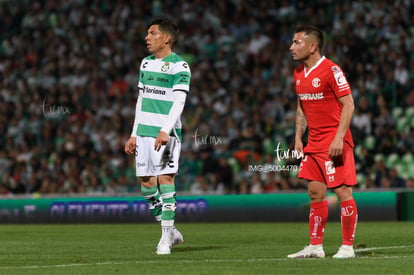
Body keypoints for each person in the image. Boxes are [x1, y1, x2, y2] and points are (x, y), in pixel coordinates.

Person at [287, 26, 358, 259]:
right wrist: (298, 137)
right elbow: (302, 106)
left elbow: (349, 104)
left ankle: (347, 247)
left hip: (334, 141)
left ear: (312, 46)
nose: (291, 47)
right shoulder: (298, 73)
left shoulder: (332, 70)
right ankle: (315, 247)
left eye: (297, 42)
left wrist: (339, 137)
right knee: (315, 193)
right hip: (313, 143)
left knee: (342, 190)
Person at [124, 16, 191, 255]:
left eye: (152, 33)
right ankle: (170, 230)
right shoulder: (145, 63)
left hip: (167, 133)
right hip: (143, 133)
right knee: (146, 185)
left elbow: (179, 101)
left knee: (165, 180)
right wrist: (133, 133)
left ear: (166, 38)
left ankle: (165, 238)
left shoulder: (179, 66)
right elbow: (141, 100)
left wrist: (166, 129)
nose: (147, 38)